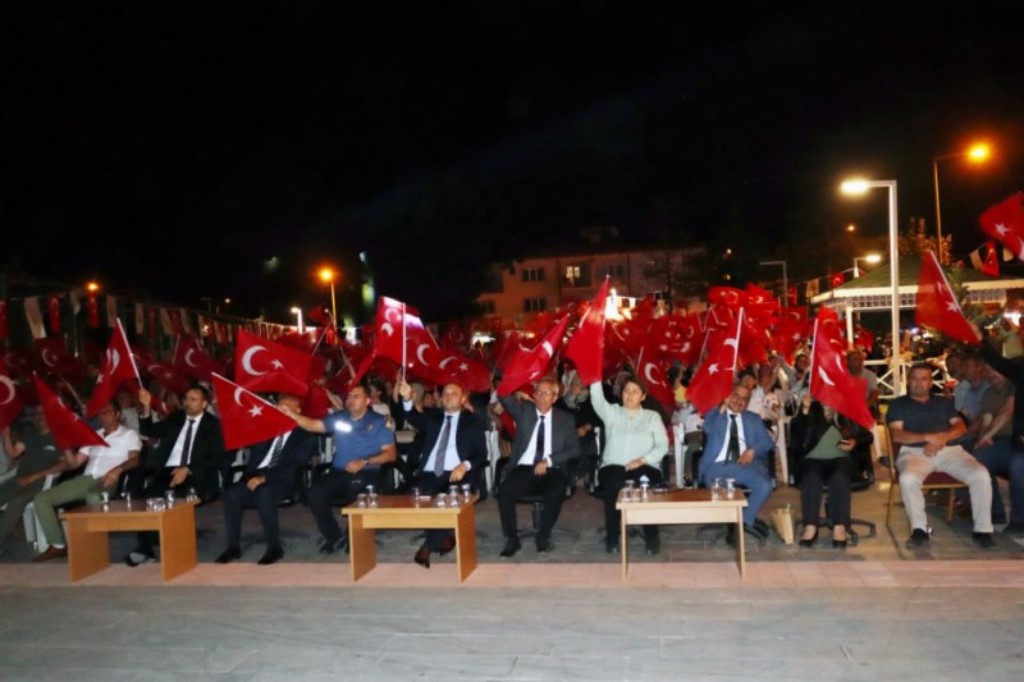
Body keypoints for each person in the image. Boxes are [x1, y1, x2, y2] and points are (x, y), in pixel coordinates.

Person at [886, 363, 994, 548]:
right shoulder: (898, 404)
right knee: (908, 479)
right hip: (914, 453)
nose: (919, 383)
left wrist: (941, 439)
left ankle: (983, 530)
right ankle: (919, 530)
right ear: (908, 381)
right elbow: (897, 434)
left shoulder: (943, 403)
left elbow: (960, 427)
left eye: (924, 378)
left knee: (981, 475)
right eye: (914, 378)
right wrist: (927, 437)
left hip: (949, 451)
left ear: (930, 382)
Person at [284, 382, 396, 554]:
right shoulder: (339, 418)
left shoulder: (379, 422)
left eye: (356, 396)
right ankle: (333, 534)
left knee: (355, 488)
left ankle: (354, 535)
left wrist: (365, 461)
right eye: (349, 396)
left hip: (366, 472)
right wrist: (291, 414)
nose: (350, 400)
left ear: (367, 401)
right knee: (313, 492)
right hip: (339, 472)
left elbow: (390, 454)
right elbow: (314, 425)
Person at [127, 384, 225, 566]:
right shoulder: (177, 418)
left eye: (193, 400)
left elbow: (217, 458)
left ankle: (174, 548)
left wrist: (188, 468)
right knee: (147, 497)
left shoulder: (213, 425)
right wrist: (147, 407)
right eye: (186, 399)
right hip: (167, 471)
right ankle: (145, 547)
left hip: (196, 475)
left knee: (175, 499)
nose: (188, 403)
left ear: (204, 404)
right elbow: (149, 431)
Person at [214, 394, 318, 566]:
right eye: (278, 407)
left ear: (297, 411)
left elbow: (295, 466)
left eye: (286, 407)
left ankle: (274, 547)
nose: (280, 411)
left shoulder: (305, 436)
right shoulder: (265, 430)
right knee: (232, 493)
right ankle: (233, 547)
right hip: (255, 477)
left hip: (284, 480)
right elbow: (249, 452)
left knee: (264, 492)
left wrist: (265, 477)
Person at [32, 401, 141, 562]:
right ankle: (58, 545)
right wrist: (66, 446)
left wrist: (117, 470)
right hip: (85, 479)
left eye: (108, 411)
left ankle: (97, 547)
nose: (104, 415)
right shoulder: (93, 434)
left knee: (93, 495)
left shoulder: (128, 434)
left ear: (118, 414)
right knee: (41, 499)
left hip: (108, 479)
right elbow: (75, 463)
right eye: (101, 412)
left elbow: (134, 460)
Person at [397, 379, 487, 568]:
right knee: (407, 496)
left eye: (453, 393)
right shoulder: (433, 417)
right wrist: (406, 398)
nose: (448, 396)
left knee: (445, 501)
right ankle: (444, 538)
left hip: (457, 474)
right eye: (445, 393)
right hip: (429, 472)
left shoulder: (473, 421)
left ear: (462, 399)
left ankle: (428, 547)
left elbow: (481, 453)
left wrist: (464, 466)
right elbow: (413, 417)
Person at [495, 377, 579, 557]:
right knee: (505, 491)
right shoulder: (524, 411)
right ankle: (512, 539)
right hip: (524, 467)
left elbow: (574, 449)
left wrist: (549, 461)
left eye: (546, 393)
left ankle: (543, 536)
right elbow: (503, 395)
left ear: (555, 397)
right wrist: (509, 377)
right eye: (538, 392)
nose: (541, 396)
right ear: (533, 395)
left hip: (552, 469)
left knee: (555, 491)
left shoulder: (565, 419)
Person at [590, 375, 669, 554]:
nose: (629, 395)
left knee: (644, 483)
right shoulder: (612, 412)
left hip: (645, 465)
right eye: (626, 391)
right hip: (613, 465)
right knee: (614, 484)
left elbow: (663, 445)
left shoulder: (652, 417)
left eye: (635, 392)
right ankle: (612, 537)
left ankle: (652, 536)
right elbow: (596, 399)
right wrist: (594, 377)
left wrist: (643, 460)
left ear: (643, 396)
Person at [789, 395, 872, 548]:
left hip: (842, 459)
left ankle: (840, 526)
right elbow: (796, 434)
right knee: (811, 476)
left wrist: (855, 442)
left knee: (839, 476)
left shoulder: (846, 412)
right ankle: (810, 526)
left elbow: (867, 436)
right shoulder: (812, 409)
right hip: (812, 459)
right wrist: (804, 411)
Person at [698, 381, 775, 541]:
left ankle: (742, 523)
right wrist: (722, 408)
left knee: (766, 485)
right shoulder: (715, 415)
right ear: (728, 396)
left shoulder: (753, 418)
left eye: (744, 399)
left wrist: (753, 451)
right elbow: (709, 428)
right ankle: (745, 521)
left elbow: (768, 442)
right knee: (723, 488)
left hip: (745, 465)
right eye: (736, 396)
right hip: (717, 467)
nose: (739, 401)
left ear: (748, 403)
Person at [973, 326, 1024, 535]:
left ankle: (1020, 520)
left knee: (1019, 466)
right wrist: (980, 340)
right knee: (980, 457)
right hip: (1016, 443)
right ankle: (995, 511)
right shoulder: (1020, 371)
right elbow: (998, 363)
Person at [0, 412, 62, 545]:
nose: (40, 416)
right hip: (20, 479)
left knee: (17, 501)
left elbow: (64, 464)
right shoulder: (31, 433)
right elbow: (13, 453)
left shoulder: (59, 436)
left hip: (42, 482)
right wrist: (6, 436)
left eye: (44, 413)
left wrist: (35, 476)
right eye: (38, 414)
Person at [846, 350, 880, 419]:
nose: (852, 363)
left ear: (862, 362)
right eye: (850, 360)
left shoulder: (870, 375)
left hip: (865, 407)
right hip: (846, 408)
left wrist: (864, 407)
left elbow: (875, 392)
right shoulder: (842, 374)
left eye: (855, 360)